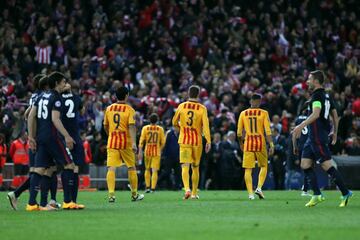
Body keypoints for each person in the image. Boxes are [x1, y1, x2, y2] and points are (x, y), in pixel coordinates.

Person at [293, 70, 353, 207]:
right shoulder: (326, 96)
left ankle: (345, 192)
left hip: (317, 136)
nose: (307, 82)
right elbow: (335, 114)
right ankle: (317, 194)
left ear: (316, 81)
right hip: (312, 137)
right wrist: (335, 132)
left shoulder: (316, 97)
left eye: (309, 79)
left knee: (327, 166)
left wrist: (299, 126)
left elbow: (315, 114)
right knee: (305, 164)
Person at [27, 72, 77, 211]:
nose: (64, 84)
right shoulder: (56, 98)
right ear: (56, 83)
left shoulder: (41, 96)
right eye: (63, 82)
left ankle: (31, 204)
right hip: (53, 137)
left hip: (40, 137)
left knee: (39, 169)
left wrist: (31, 136)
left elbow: (31, 115)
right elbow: (55, 119)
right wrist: (67, 136)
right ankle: (67, 202)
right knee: (69, 166)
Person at [103, 86, 144, 202]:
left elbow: (105, 126)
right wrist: (134, 143)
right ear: (126, 96)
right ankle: (134, 194)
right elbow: (131, 126)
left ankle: (111, 195)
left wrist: (110, 135)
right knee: (131, 167)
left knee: (111, 168)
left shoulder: (109, 109)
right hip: (126, 143)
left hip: (112, 142)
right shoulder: (129, 110)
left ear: (116, 96)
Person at [172, 85, 211, 199]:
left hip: (184, 141)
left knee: (185, 166)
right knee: (195, 167)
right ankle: (194, 193)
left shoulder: (182, 106)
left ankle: (187, 188)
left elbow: (174, 121)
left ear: (188, 93)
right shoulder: (202, 108)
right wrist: (208, 140)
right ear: (198, 94)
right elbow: (206, 125)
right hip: (197, 142)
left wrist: (181, 129)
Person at [237, 93, 274, 200]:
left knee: (248, 169)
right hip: (260, 143)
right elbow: (267, 131)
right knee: (264, 166)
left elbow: (239, 133)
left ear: (251, 101)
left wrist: (241, 143)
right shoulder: (264, 113)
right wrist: (271, 144)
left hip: (248, 143)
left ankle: (250, 194)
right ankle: (259, 188)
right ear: (259, 102)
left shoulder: (243, 113)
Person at [59, 82, 86, 209]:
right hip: (74, 136)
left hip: (61, 135)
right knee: (74, 168)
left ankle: (66, 200)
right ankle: (72, 201)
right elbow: (82, 111)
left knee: (65, 167)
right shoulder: (76, 98)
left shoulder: (57, 99)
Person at [138, 113, 165, 193]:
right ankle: (153, 188)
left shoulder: (145, 128)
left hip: (147, 151)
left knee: (147, 169)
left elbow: (141, 141)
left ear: (149, 120)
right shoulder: (160, 129)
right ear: (157, 120)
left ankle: (147, 187)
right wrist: (160, 149)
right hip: (156, 152)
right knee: (154, 170)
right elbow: (163, 142)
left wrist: (140, 151)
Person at [292, 104, 311, 196]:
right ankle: (306, 189)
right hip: (309, 146)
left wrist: (294, 146)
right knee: (309, 168)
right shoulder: (312, 118)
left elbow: (294, 134)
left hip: (300, 146)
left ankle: (305, 188)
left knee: (304, 168)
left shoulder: (298, 119)